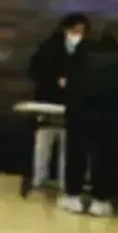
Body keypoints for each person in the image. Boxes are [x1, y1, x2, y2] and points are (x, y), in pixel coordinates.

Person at [58, 26, 118, 216]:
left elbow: (69, 84)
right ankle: (100, 201)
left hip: (79, 113)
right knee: (105, 158)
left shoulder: (81, 56)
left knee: (76, 155)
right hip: (109, 115)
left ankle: (73, 197)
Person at [26, 14, 90, 188]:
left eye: (82, 31)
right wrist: (54, 80)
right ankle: (39, 178)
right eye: (75, 30)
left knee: (67, 146)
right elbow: (34, 71)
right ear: (66, 29)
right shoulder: (49, 46)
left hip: (73, 103)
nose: (78, 35)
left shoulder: (85, 50)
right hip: (48, 100)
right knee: (43, 143)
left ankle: (65, 181)